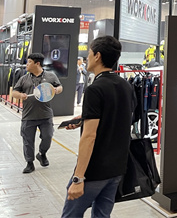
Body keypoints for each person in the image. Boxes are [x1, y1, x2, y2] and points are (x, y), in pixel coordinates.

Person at [61, 36, 135, 218]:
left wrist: (78, 178)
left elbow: (89, 137)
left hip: (94, 171)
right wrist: (84, 119)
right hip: (117, 168)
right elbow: (120, 118)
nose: (87, 58)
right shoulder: (126, 86)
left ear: (97, 56)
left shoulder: (95, 89)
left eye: (89, 53)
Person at [11, 53, 63, 173]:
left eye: (29, 62)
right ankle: (29, 163)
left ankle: (42, 154)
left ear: (37, 63)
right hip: (28, 115)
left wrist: (57, 90)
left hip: (45, 115)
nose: (27, 64)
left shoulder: (50, 76)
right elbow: (14, 92)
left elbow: (60, 87)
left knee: (48, 137)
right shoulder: (24, 79)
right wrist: (20, 95)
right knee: (28, 141)